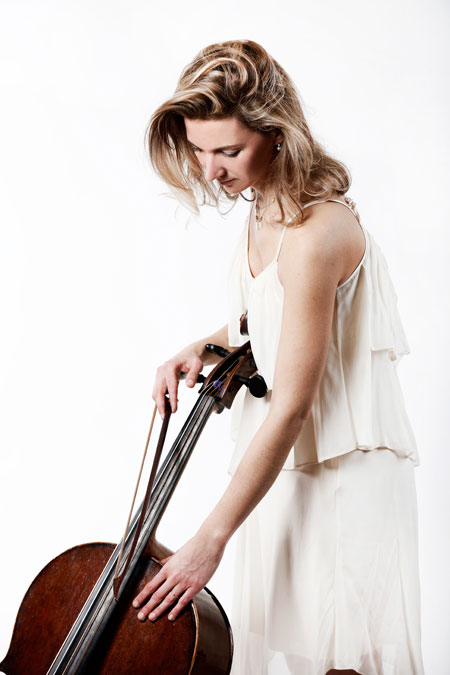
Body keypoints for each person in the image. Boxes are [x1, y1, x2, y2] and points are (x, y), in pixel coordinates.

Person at [131, 39, 425, 675]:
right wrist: (203, 347)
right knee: (300, 656)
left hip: (341, 473)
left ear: (276, 133)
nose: (211, 170)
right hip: (285, 470)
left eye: (228, 150)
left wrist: (209, 540)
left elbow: (291, 404)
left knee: (343, 660)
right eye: (200, 150)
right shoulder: (265, 202)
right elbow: (271, 315)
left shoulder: (316, 234)